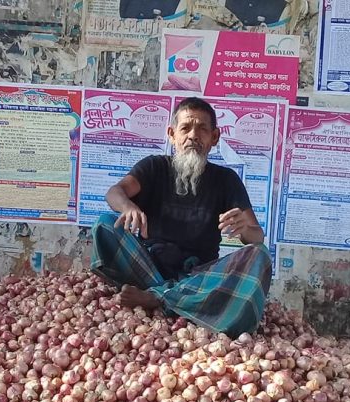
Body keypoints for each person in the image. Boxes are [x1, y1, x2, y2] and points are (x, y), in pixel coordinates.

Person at [90, 96, 272, 338]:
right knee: (104, 225)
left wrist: (244, 229)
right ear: (172, 134)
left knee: (259, 255)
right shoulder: (154, 167)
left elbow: (256, 236)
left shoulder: (226, 180)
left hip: (199, 276)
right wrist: (127, 207)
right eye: (185, 128)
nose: (193, 136)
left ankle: (158, 298)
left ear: (214, 137)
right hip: (149, 268)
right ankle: (180, 301)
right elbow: (115, 192)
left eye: (202, 129)